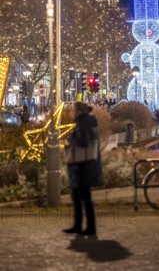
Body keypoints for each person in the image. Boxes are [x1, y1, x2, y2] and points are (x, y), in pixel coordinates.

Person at [63, 102, 103, 238]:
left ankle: (85, 226)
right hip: (87, 165)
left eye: (74, 110)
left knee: (82, 197)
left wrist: (71, 139)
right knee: (83, 197)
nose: (72, 112)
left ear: (79, 111)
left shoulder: (82, 123)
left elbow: (83, 142)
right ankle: (81, 225)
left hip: (81, 166)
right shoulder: (91, 122)